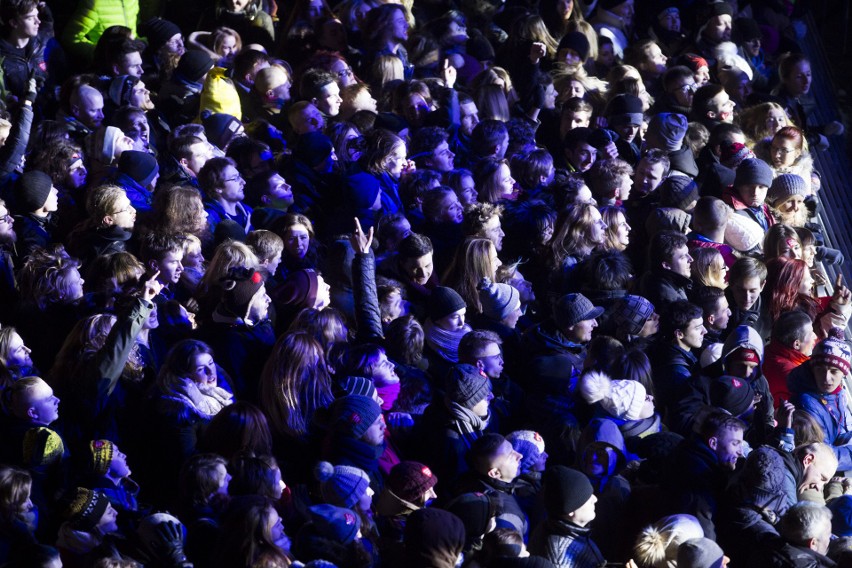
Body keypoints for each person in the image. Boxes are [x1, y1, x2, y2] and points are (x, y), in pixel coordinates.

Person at [528, 465, 605, 567]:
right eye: (587, 497)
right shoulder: (558, 553)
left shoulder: (572, 532)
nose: (595, 499)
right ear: (570, 509)